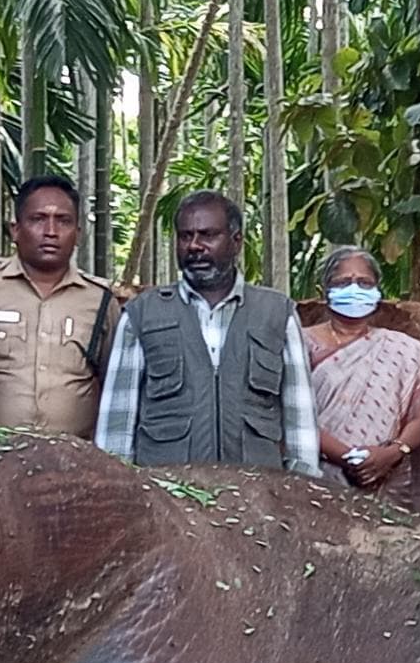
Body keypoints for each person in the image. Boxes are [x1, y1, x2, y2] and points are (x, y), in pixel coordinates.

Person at [87, 189, 316, 476]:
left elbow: (300, 418)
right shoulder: (142, 314)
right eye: (185, 236)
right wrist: (117, 486)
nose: (194, 246)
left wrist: (302, 490)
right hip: (168, 496)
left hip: (258, 497)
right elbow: (116, 425)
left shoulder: (276, 313)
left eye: (208, 235)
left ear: (236, 242)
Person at [0, 173, 117, 437]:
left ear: (78, 234)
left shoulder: (100, 299)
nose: (51, 232)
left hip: (74, 461)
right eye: (38, 219)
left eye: (63, 221)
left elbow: (111, 382)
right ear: (15, 229)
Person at [304, 247, 420, 511]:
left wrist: (391, 453)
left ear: (378, 291)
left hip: (386, 476)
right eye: (343, 282)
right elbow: (292, 416)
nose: (354, 289)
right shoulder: (301, 343)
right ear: (324, 291)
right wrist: (349, 458)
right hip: (318, 476)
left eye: (364, 283)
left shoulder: (402, 350)